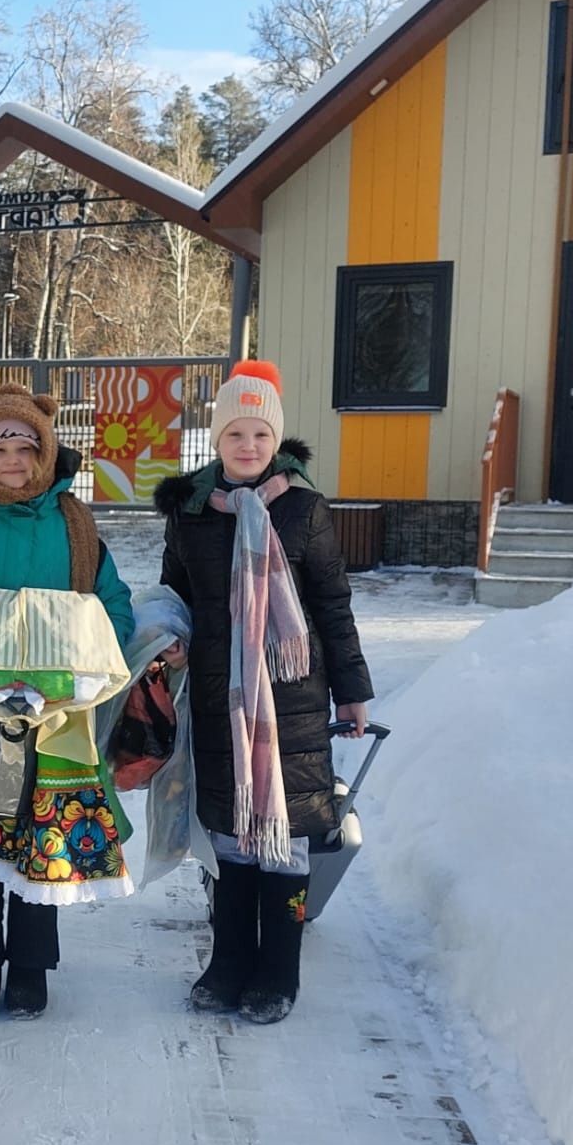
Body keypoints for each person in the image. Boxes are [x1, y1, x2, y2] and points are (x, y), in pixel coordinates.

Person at [156, 360, 372, 1024]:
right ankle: (227, 965)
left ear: (274, 440)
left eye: (259, 435)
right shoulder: (192, 514)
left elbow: (332, 605)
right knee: (230, 837)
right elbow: (173, 598)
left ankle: (278, 972)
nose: (247, 447)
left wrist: (352, 691)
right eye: (234, 435)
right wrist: (168, 643)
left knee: (288, 842)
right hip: (222, 700)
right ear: (216, 441)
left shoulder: (305, 511)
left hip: (294, 700)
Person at [0, 384, 135, 1021]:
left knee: (48, 835)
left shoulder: (76, 522)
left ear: (46, 451)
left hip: (58, 712)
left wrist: (100, 659)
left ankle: (33, 969)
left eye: (25, 445)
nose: (12, 457)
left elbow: (110, 600)